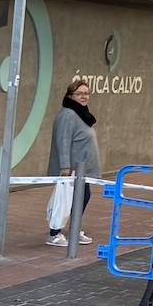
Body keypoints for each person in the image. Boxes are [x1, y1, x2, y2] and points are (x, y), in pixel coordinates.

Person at [47, 77, 100, 248]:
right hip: (72, 169)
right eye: (80, 94)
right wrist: (65, 166)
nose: (84, 97)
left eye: (86, 93)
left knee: (82, 197)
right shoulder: (68, 114)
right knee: (66, 200)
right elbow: (62, 140)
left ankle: (74, 229)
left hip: (83, 169)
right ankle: (54, 234)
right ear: (70, 96)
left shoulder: (81, 114)